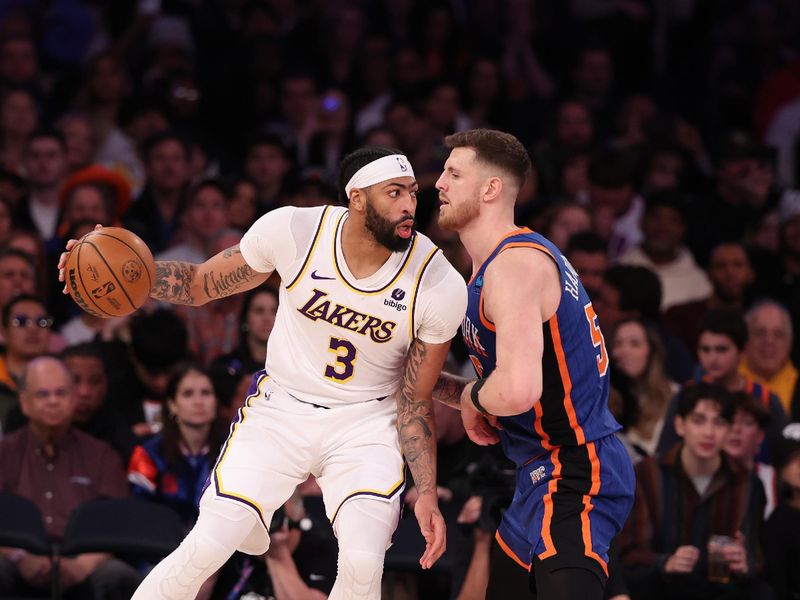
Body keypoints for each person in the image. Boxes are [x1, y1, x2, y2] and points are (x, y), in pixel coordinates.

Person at [59, 146, 467, 599]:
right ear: (357, 198)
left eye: (412, 192)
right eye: (394, 193)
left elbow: (415, 397)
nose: (410, 204)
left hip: (366, 423)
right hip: (282, 409)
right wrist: (122, 271)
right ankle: (246, 515)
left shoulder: (438, 282)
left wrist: (426, 489)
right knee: (205, 546)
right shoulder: (293, 231)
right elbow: (199, 284)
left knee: (363, 562)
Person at [431, 129, 634, 600]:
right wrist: (432, 385)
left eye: (453, 173)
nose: (439, 183)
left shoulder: (514, 266)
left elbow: (517, 390)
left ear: (491, 189)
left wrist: (467, 397)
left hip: (577, 468)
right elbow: (512, 388)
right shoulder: (502, 263)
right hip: (541, 474)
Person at [0, 356, 141, 599]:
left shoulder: (101, 455)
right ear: (24, 402)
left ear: (74, 398)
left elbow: (118, 524)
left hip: (85, 563)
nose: (53, 401)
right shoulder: (5, 453)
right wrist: (20, 558)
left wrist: (85, 564)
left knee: (117, 575)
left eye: (61, 393)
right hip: (16, 560)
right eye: (43, 394)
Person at [617, 383, 766, 600]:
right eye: (698, 421)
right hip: (660, 588)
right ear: (679, 425)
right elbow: (629, 553)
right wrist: (666, 562)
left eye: (719, 423)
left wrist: (745, 563)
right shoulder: (648, 474)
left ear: (729, 430)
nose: (708, 433)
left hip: (722, 591)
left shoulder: (746, 482)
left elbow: (757, 558)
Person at [128, 363, 228, 526]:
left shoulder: (234, 451)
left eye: (206, 393)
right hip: (161, 544)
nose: (198, 402)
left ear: (216, 402)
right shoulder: (148, 454)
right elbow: (139, 512)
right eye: (188, 394)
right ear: (172, 405)